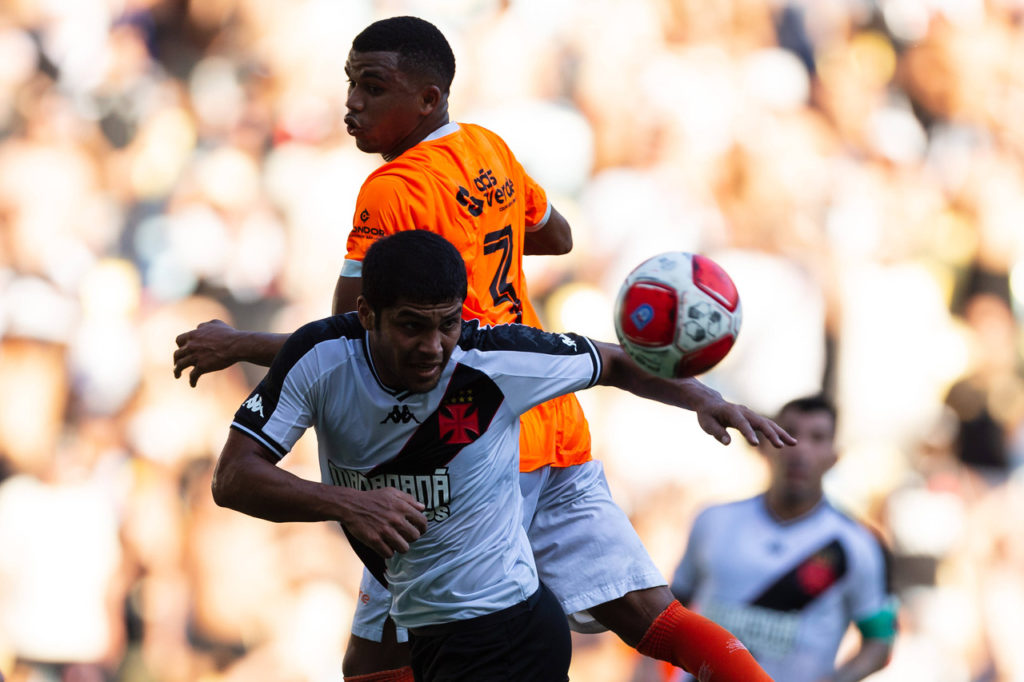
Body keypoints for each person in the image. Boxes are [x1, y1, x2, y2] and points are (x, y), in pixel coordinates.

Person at [174, 16, 794, 681]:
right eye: (351, 84)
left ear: (427, 99)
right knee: (650, 616)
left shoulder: (393, 189)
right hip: (549, 413)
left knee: (378, 658)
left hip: (463, 434)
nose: (352, 103)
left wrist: (238, 341)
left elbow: (352, 334)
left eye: (373, 87)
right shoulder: (488, 148)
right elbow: (555, 236)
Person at [212, 230, 788, 681]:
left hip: (502, 634)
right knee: (363, 666)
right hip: (431, 625)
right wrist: (349, 505)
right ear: (366, 316)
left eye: (447, 324)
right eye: (413, 327)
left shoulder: (494, 359)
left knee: (646, 616)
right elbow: (234, 476)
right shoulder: (319, 358)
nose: (434, 346)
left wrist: (705, 399)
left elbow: (611, 360)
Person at [669, 395, 898, 682]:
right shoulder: (713, 520)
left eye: (817, 437)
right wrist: (645, 667)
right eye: (787, 432)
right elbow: (670, 608)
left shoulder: (857, 545)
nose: (799, 449)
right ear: (763, 445)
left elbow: (880, 641)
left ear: (834, 457)